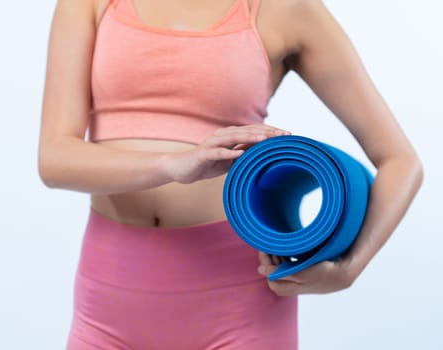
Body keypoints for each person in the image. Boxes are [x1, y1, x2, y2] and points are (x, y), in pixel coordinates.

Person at [37, 0, 423, 348]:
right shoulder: (91, 4)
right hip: (108, 306)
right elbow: (54, 160)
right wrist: (173, 166)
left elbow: (400, 160)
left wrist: (348, 268)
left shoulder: (285, 10)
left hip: (239, 305)